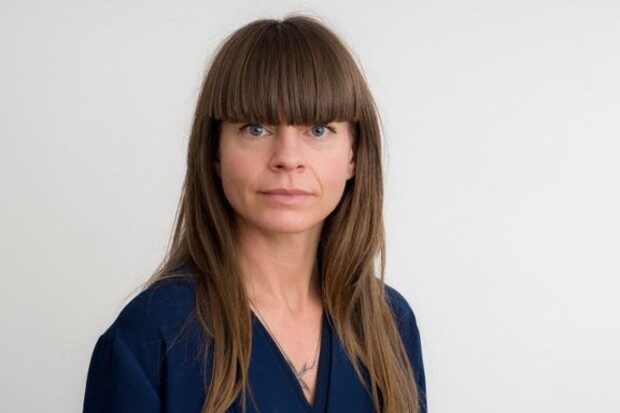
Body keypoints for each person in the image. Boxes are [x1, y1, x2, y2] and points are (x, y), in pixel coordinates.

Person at [83, 14, 427, 413]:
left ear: (354, 154)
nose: (288, 158)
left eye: (318, 130)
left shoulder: (390, 325)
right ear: (214, 152)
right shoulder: (150, 335)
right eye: (255, 129)